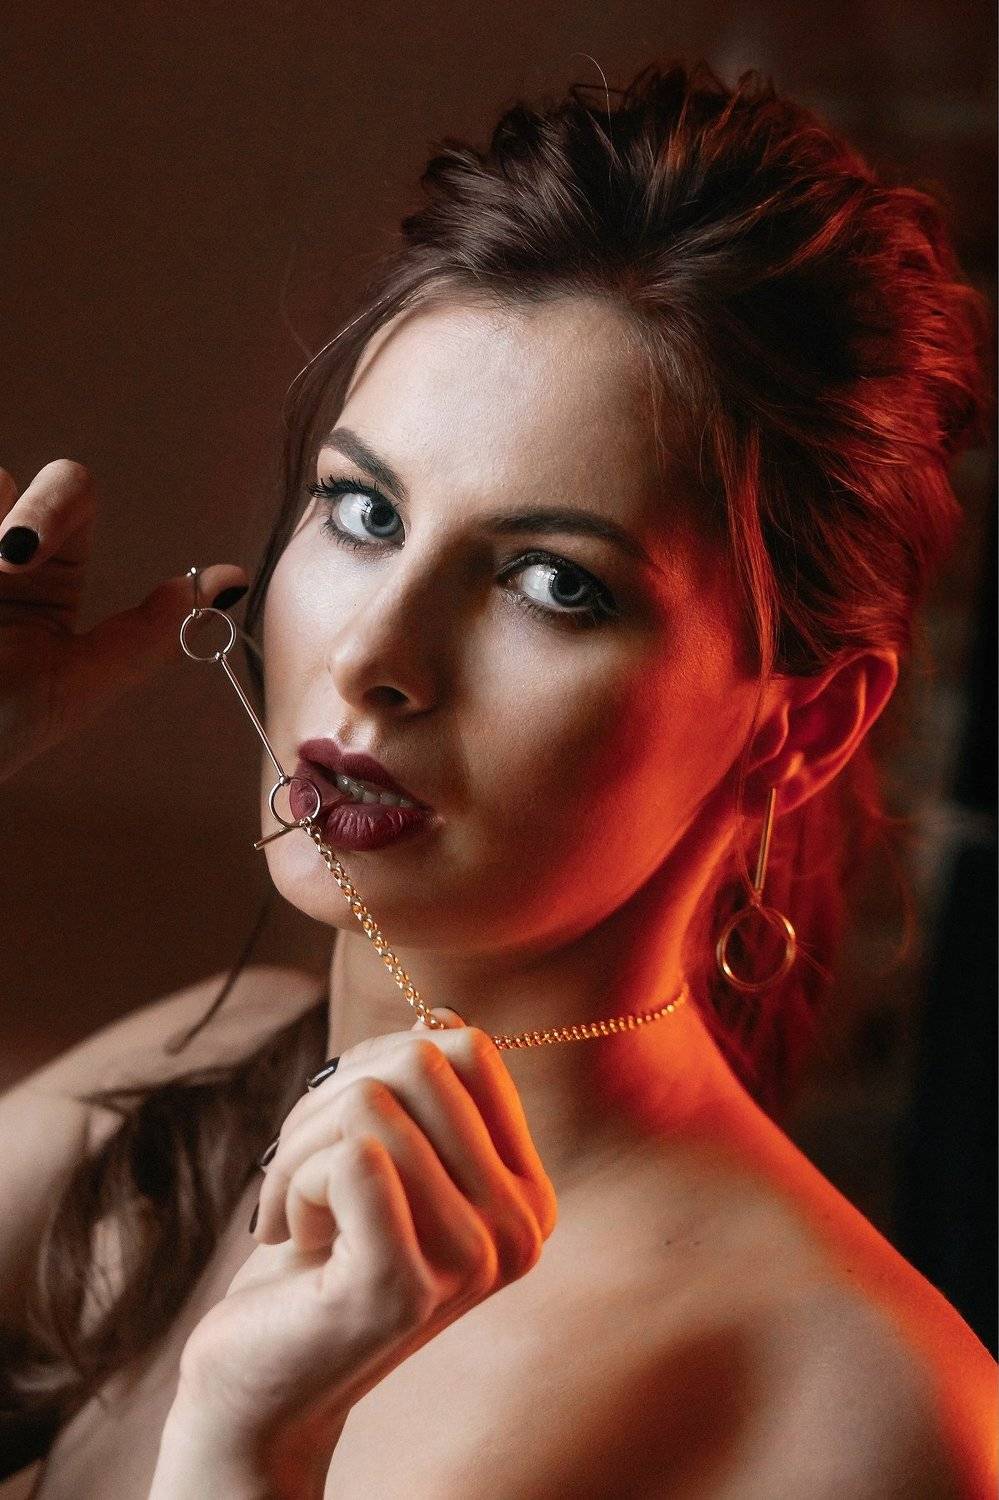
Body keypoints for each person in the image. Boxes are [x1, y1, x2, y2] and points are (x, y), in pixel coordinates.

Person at [0, 57, 995, 1500]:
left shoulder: (858, 1412)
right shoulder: (183, 1097)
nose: (374, 655)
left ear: (810, 724)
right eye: (362, 511)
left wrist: (242, 1456)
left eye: (553, 583)